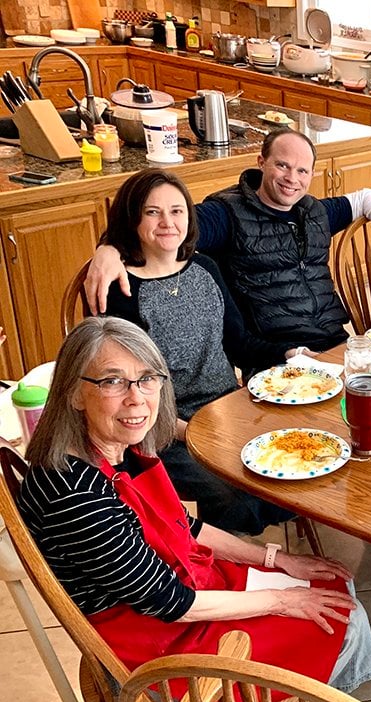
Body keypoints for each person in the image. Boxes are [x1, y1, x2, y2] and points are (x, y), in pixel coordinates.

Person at [18, 317, 371, 700]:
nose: (136, 397)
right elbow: (173, 604)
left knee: (330, 584)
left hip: (178, 590)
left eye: (146, 378)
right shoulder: (75, 495)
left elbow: (184, 527)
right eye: (112, 381)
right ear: (74, 393)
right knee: (345, 619)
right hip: (156, 648)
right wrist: (284, 600)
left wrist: (276, 559)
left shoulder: (119, 449)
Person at [84, 130, 371, 357]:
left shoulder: (315, 211)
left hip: (335, 343)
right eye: (282, 165)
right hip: (274, 354)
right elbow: (166, 226)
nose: (291, 179)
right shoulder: (227, 214)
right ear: (261, 162)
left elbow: (369, 196)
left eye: (302, 171)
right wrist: (109, 247)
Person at [101, 169, 303, 535]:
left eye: (177, 211)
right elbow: (127, 389)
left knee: (297, 463)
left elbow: (240, 344)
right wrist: (188, 430)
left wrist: (291, 354)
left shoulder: (205, 268)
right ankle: (236, 564)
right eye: (152, 212)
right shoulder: (123, 289)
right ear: (132, 219)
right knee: (240, 500)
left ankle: (264, 561)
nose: (167, 223)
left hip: (228, 409)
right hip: (164, 428)